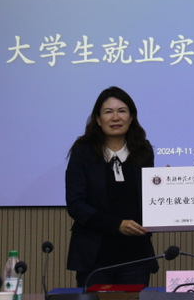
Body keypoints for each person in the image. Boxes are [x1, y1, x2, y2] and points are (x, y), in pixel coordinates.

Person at [65, 86, 158, 287]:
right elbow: (76, 204)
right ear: (98, 119)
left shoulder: (143, 151)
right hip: (95, 258)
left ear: (131, 117)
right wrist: (117, 225)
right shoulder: (83, 152)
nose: (116, 117)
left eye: (122, 111)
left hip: (135, 256)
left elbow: (148, 198)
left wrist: (165, 185)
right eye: (108, 112)